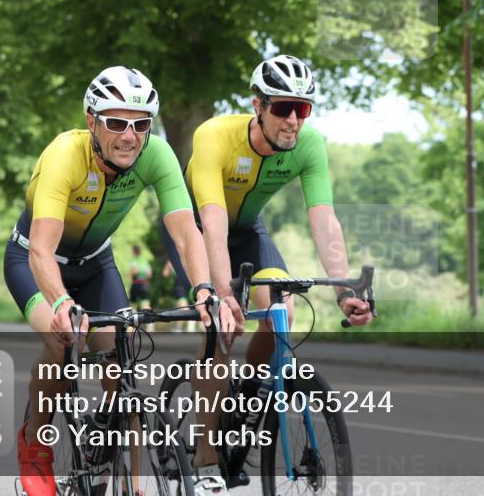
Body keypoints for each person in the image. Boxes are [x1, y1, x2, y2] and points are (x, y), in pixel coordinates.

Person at [3, 66, 234, 496]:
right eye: (116, 122)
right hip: (34, 260)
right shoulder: (64, 155)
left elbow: (186, 231)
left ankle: (131, 482)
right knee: (60, 340)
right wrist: (60, 304)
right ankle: (35, 443)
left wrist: (204, 289)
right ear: (92, 121)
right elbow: (40, 248)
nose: (129, 136)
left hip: (95, 264)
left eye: (141, 124)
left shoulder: (156, 155)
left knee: (122, 364)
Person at [160, 54, 374, 495]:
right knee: (220, 326)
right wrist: (222, 291)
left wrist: (343, 289)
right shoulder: (215, 136)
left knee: (283, 310)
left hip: (250, 232)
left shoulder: (309, 146)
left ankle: (246, 397)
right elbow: (213, 224)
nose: (294, 120)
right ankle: (204, 454)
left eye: (304, 109)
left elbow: (324, 220)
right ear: (257, 105)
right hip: (200, 229)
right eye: (282, 108)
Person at [128, 244, 153, 311]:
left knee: (133, 304)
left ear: (134, 251)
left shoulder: (134, 260)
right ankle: (150, 320)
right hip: (145, 285)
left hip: (136, 284)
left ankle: (133, 320)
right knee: (145, 304)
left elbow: (134, 271)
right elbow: (149, 274)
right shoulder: (144, 261)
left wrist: (129, 275)